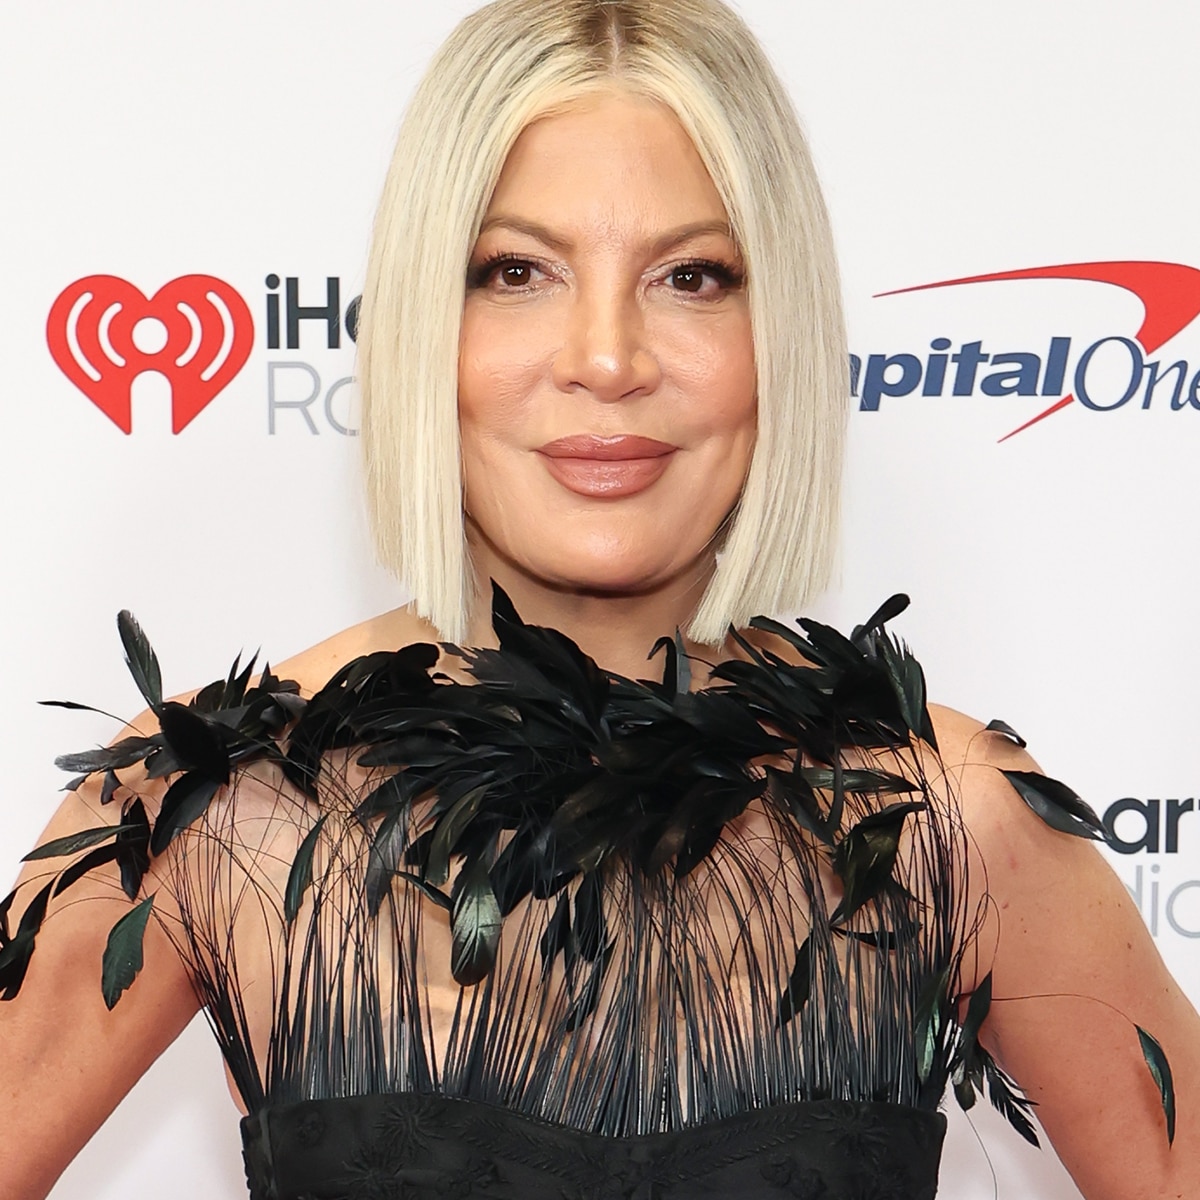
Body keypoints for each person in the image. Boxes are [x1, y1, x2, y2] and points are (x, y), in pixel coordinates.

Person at [2, 1, 1197, 1197]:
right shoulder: (213, 807)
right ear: (426, 324)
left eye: (692, 276)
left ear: (778, 328)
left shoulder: (950, 820)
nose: (609, 358)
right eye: (517, 272)